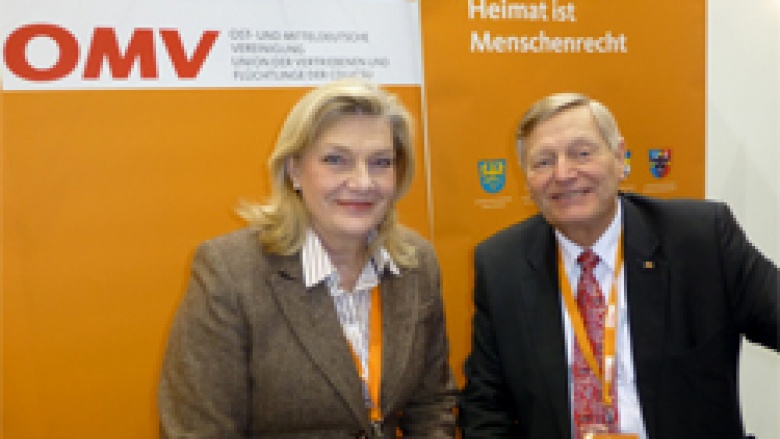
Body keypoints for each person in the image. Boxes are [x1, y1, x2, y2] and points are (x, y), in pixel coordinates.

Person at [458, 92, 779, 439]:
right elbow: (485, 409)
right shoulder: (501, 264)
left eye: (582, 153)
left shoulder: (701, 240)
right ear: (527, 178)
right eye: (544, 162)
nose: (563, 174)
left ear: (619, 156)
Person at [158, 78, 457, 438]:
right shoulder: (230, 272)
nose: (363, 182)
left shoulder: (416, 263)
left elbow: (431, 405)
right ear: (294, 169)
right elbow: (198, 430)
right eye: (336, 160)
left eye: (380, 162)